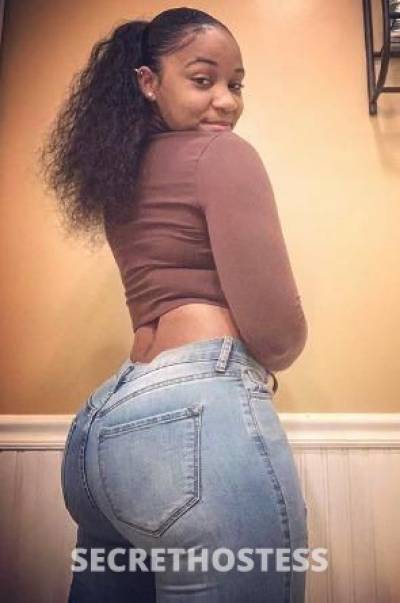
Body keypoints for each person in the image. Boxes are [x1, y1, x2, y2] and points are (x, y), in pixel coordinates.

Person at [41, 7, 308, 602]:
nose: (227, 102)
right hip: (196, 417)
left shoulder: (119, 183)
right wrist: (278, 354)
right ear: (148, 81)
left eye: (236, 84)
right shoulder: (224, 155)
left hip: (102, 429)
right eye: (203, 79)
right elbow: (278, 333)